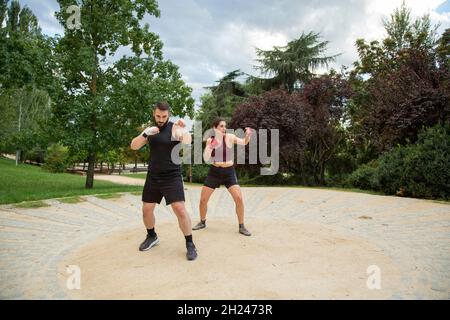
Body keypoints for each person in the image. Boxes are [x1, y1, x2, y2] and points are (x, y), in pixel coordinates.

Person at [130, 102, 197, 261]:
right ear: (154, 114)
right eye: (158, 116)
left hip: (171, 176)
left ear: (169, 115)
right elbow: (133, 146)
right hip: (153, 175)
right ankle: (152, 236)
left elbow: (187, 141)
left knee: (179, 209)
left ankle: (190, 243)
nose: (161, 119)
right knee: (146, 209)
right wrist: (145, 134)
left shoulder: (175, 128)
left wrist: (184, 131)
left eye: (164, 116)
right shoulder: (151, 130)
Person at [192, 117, 253, 236]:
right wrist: (211, 147)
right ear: (214, 128)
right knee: (203, 200)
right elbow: (206, 158)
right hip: (214, 172)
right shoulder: (210, 140)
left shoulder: (229, 137)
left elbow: (244, 142)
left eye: (225, 126)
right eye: (221, 126)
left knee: (239, 198)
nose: (224, 128)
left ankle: (241, 226)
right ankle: (202, 222)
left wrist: (247, 135)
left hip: (229, 172)